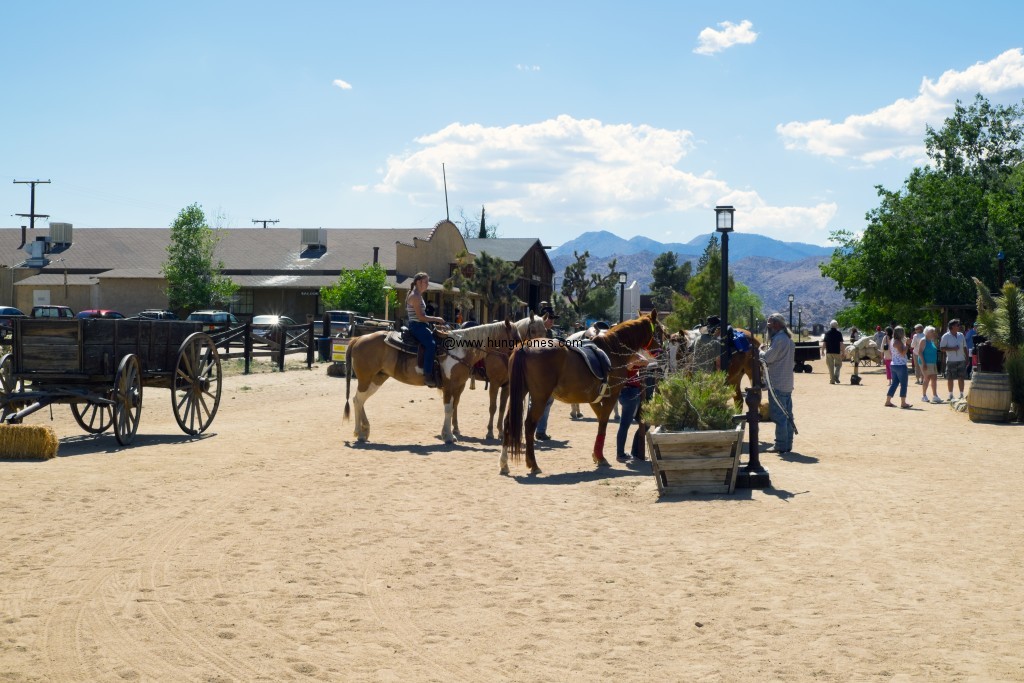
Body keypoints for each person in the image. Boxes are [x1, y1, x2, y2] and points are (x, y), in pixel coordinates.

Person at [760, 313, 795, 454]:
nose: (768, 328)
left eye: (770, 325)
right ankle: (787, 444)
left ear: (776, 325)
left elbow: (768, 358)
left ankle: (781, 445)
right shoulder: (787, 339)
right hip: (786, 382)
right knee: (787, 415)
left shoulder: (779, 340)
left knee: (779, 416)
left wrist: (760, 351)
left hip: (777, 383)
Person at [405, 272, 445, 388]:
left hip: (421, 325)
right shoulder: (415, 296)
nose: (427, 284)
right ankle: (427, 374)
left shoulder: (418, 295)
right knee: (431, 345)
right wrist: (437, 319)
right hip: (417, 326)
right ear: (418, 282)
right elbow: (420, 317)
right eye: (425, 282)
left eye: (427, 282)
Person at [616, 353, 648, 463]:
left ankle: (634, 452)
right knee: (625, 425)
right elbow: (630, 366)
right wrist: (636, 361)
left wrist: (637, 359)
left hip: (629, 392)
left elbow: (645, 361)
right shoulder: (624, 357)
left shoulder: (628, 355)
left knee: (645, 423)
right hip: (630, 392)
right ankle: (621, 454)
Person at [531, 314, 557, 440]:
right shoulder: (533, 331)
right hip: (535, 372)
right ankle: (532, 428)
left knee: (547, 402)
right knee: (535, 402)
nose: (552, 321)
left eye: (553, 319)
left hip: (548, 373)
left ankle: (540, 431)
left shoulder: (551, 334)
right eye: (549, 318)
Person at [884, 326, 913, 408]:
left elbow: (892, 351)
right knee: (903, 384)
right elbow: (903, 353)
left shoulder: (893, 340)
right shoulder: (898, 342)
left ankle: (888, 401)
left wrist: (906, 344)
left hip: (893, 364)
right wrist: (907, 344)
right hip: (900, 365)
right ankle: (903, 403)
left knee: (894, 384)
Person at [940, 319, 968, 401]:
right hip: (951, 360)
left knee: (961, 377)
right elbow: (941, 348)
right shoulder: (945, 336)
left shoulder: (961, 335)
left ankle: (961, 394)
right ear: (952, 326)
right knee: (950, 378)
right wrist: (952, 349)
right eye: (957, 325)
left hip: (961, 359)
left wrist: (966, 357)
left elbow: (965, 347)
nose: (959, 326)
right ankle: (951, 395)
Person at [822, 320, 844, 384]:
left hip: (829, 352)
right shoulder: (839, 333)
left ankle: (832, 380)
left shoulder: (827, 333)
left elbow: (824, 343)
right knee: (839, 365)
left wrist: (822, 351)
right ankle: (836, 376)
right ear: (836, 326)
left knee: (830, 366)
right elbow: (841, 344)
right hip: (837, 352)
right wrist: (843, 352)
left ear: (830, 325)